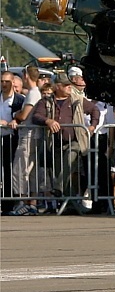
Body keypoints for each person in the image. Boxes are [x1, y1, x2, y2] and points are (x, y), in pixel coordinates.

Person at [27, 72, 91, 213]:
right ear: (57, 86)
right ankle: (70, 205)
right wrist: (48, 120)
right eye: (66, 85)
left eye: (70, 85)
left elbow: (94, 110)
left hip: (75, 140)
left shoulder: (77, 99)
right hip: (55, 142)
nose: (69, 87)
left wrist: (92, 127)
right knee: (62, 172)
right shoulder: (46, 101)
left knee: (69, 160)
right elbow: (36, 116)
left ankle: (58, 187)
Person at [7, 66, 45, 216]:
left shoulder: (33, 94)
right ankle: (32, 203)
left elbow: (24, 115)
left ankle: (23, 202)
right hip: (31, 135)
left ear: (26, 76)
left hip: (28, 136)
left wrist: (16, 114)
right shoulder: (33, 93)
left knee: (20, 169)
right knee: (30, 170)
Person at [1, 71, 24, 209]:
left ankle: (8, 203)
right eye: (2, 81)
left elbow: (25, 116)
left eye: (7, 81)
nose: (4, 84)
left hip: (11, 138)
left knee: (9, 169)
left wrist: (15, 121)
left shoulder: (20, 100)